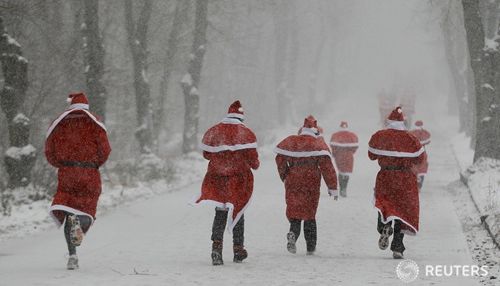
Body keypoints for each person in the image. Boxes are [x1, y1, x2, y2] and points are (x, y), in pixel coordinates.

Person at [45, 92, 111, 270]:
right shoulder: (95, 123)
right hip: (89, 172)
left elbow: (49, 150)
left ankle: (72, 255)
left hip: (67, 172)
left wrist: (60, 164)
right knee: (87, 208)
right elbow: (105, 149)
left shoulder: (60, 123)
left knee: (69, 211)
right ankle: (81, 226)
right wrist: (94, 163)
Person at [194, 100, 259, 266]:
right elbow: (254, 161)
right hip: (238, 180)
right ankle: (238, 249)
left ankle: (216, 248)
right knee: (238, 211)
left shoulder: (215, 131)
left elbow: (207, 154)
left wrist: (221, 157)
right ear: (241, 117)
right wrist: (252, 163)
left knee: (220, 212)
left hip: (218, 179)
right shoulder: (245, 134)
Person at [275, 115, 338, 255]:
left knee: (295, 209)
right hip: (311, 180)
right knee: (310, 213)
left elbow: (279, 158)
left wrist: (284, 174)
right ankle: (310, 246)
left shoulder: (292, 142)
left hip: (293, 179)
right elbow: (327, 167)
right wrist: (332, 187)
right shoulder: (318, 144)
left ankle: (293, 232)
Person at [368, 106, 425, 259]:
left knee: (384, 203)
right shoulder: (411, 139)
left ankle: (384, 226)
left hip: (386, 176)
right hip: (405, 179)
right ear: (403, 122)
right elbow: (420, 159)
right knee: (402, 211)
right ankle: (397, 246)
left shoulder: (380, 136)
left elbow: (371, 155)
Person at [330, 121, 359, 197]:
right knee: (346, 172)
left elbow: (333, 147)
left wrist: (335, 153)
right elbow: (355, 147)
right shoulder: (352, 136)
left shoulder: (335, 136)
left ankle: (341, 187)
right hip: (349, 155)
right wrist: (351, 152)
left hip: (339, 155)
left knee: (341, 171)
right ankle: (344, 188)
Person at [409, 120, 431, 190]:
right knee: (422, 167)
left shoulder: (411, 133)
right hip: (422, 152)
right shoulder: (425, 133)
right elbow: (428, 140)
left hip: (412, 153)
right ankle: (420, 184)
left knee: (412, 167)